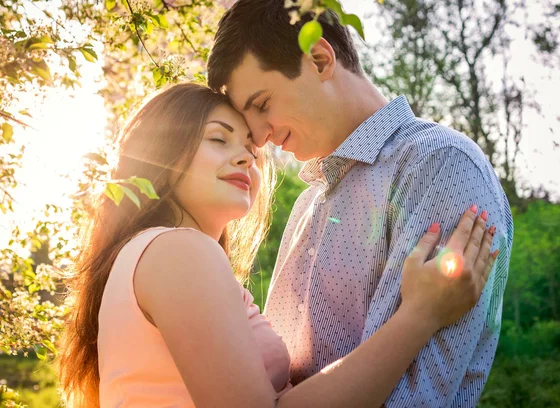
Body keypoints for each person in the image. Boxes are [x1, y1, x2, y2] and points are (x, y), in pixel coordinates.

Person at [57, 83, 497, 407]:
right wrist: (420, 315)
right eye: (218, 138)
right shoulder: (178, 252)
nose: (246, 156)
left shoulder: (155, 255)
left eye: (250, 145)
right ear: (164, 151)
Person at [206, 0, 513, 406]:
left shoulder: (438, 164)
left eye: (263, 105)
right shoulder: (307, 204)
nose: (259, 138)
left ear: (319, 59)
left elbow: (415, 396)